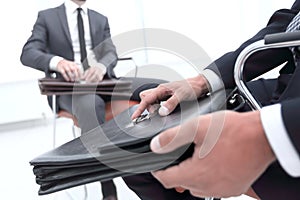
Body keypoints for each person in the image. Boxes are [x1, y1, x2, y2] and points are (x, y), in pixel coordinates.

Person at [131, 1, 300, 199]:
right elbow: (291, 22)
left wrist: (267, 132)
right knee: (140, 139)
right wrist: (203, 81)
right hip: (289, 83)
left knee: (161, 152)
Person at [20, 0, 165, 199]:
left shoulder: (99, 19)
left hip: (104, 82)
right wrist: (57, 62)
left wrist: (102, 66)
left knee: (159, 85)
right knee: (91, 104)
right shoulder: (47, 17)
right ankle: (108, 185)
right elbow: (28, 53)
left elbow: (110, 53)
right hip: (70, 89)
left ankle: (170, 157)